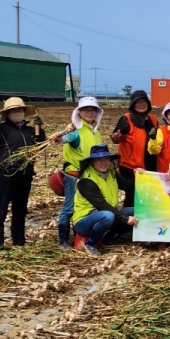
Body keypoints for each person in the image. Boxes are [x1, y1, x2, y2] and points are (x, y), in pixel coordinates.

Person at [0, 97, 46, 250]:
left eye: (19, 109)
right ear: (7, 113)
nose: (17, 112)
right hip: (4, 174)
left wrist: (40, 129)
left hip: (25, 174)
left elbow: (40, 145)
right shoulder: (0, 129)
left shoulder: (30, 130)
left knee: (20, 210)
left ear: (24, 112)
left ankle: (19, 242)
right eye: (13, 110)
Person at [53, 96, 104, 251]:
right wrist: (58, 137)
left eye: (92, 110)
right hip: (74, 175)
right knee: (69, 207)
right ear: (79, 112)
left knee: (83, 207)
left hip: (88, 177)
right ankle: (63, 241)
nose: (89, 113)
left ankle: (78, 235)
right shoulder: (76, 131)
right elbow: (64, 139)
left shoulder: (95, 132)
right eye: (85, 110)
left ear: (96, 113)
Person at [72, 144, 137, 256]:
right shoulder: (86, 180)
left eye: (106, 158)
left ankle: (110, 236)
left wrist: (137, 176)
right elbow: (102, 205)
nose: (104, 162)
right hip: (84, 221)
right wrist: (124, 218)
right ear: (92, 161)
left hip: (105, 213)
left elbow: (127, 185)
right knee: (108, 216)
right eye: (99, 159)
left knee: (136, 210)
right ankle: (90, 244)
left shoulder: (111, 173)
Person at [110, 90, 158, 206]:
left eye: (144, 102)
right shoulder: (126, 119)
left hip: (150, 164)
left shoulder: (153, 120)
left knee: (148, 196)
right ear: (133, 104)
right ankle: (129, 222)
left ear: (148, 104)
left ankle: (144, 222)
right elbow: (115, 139)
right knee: (132, 197)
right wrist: (118, 135)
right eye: (138, 102)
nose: (141, 104)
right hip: (130, 167)